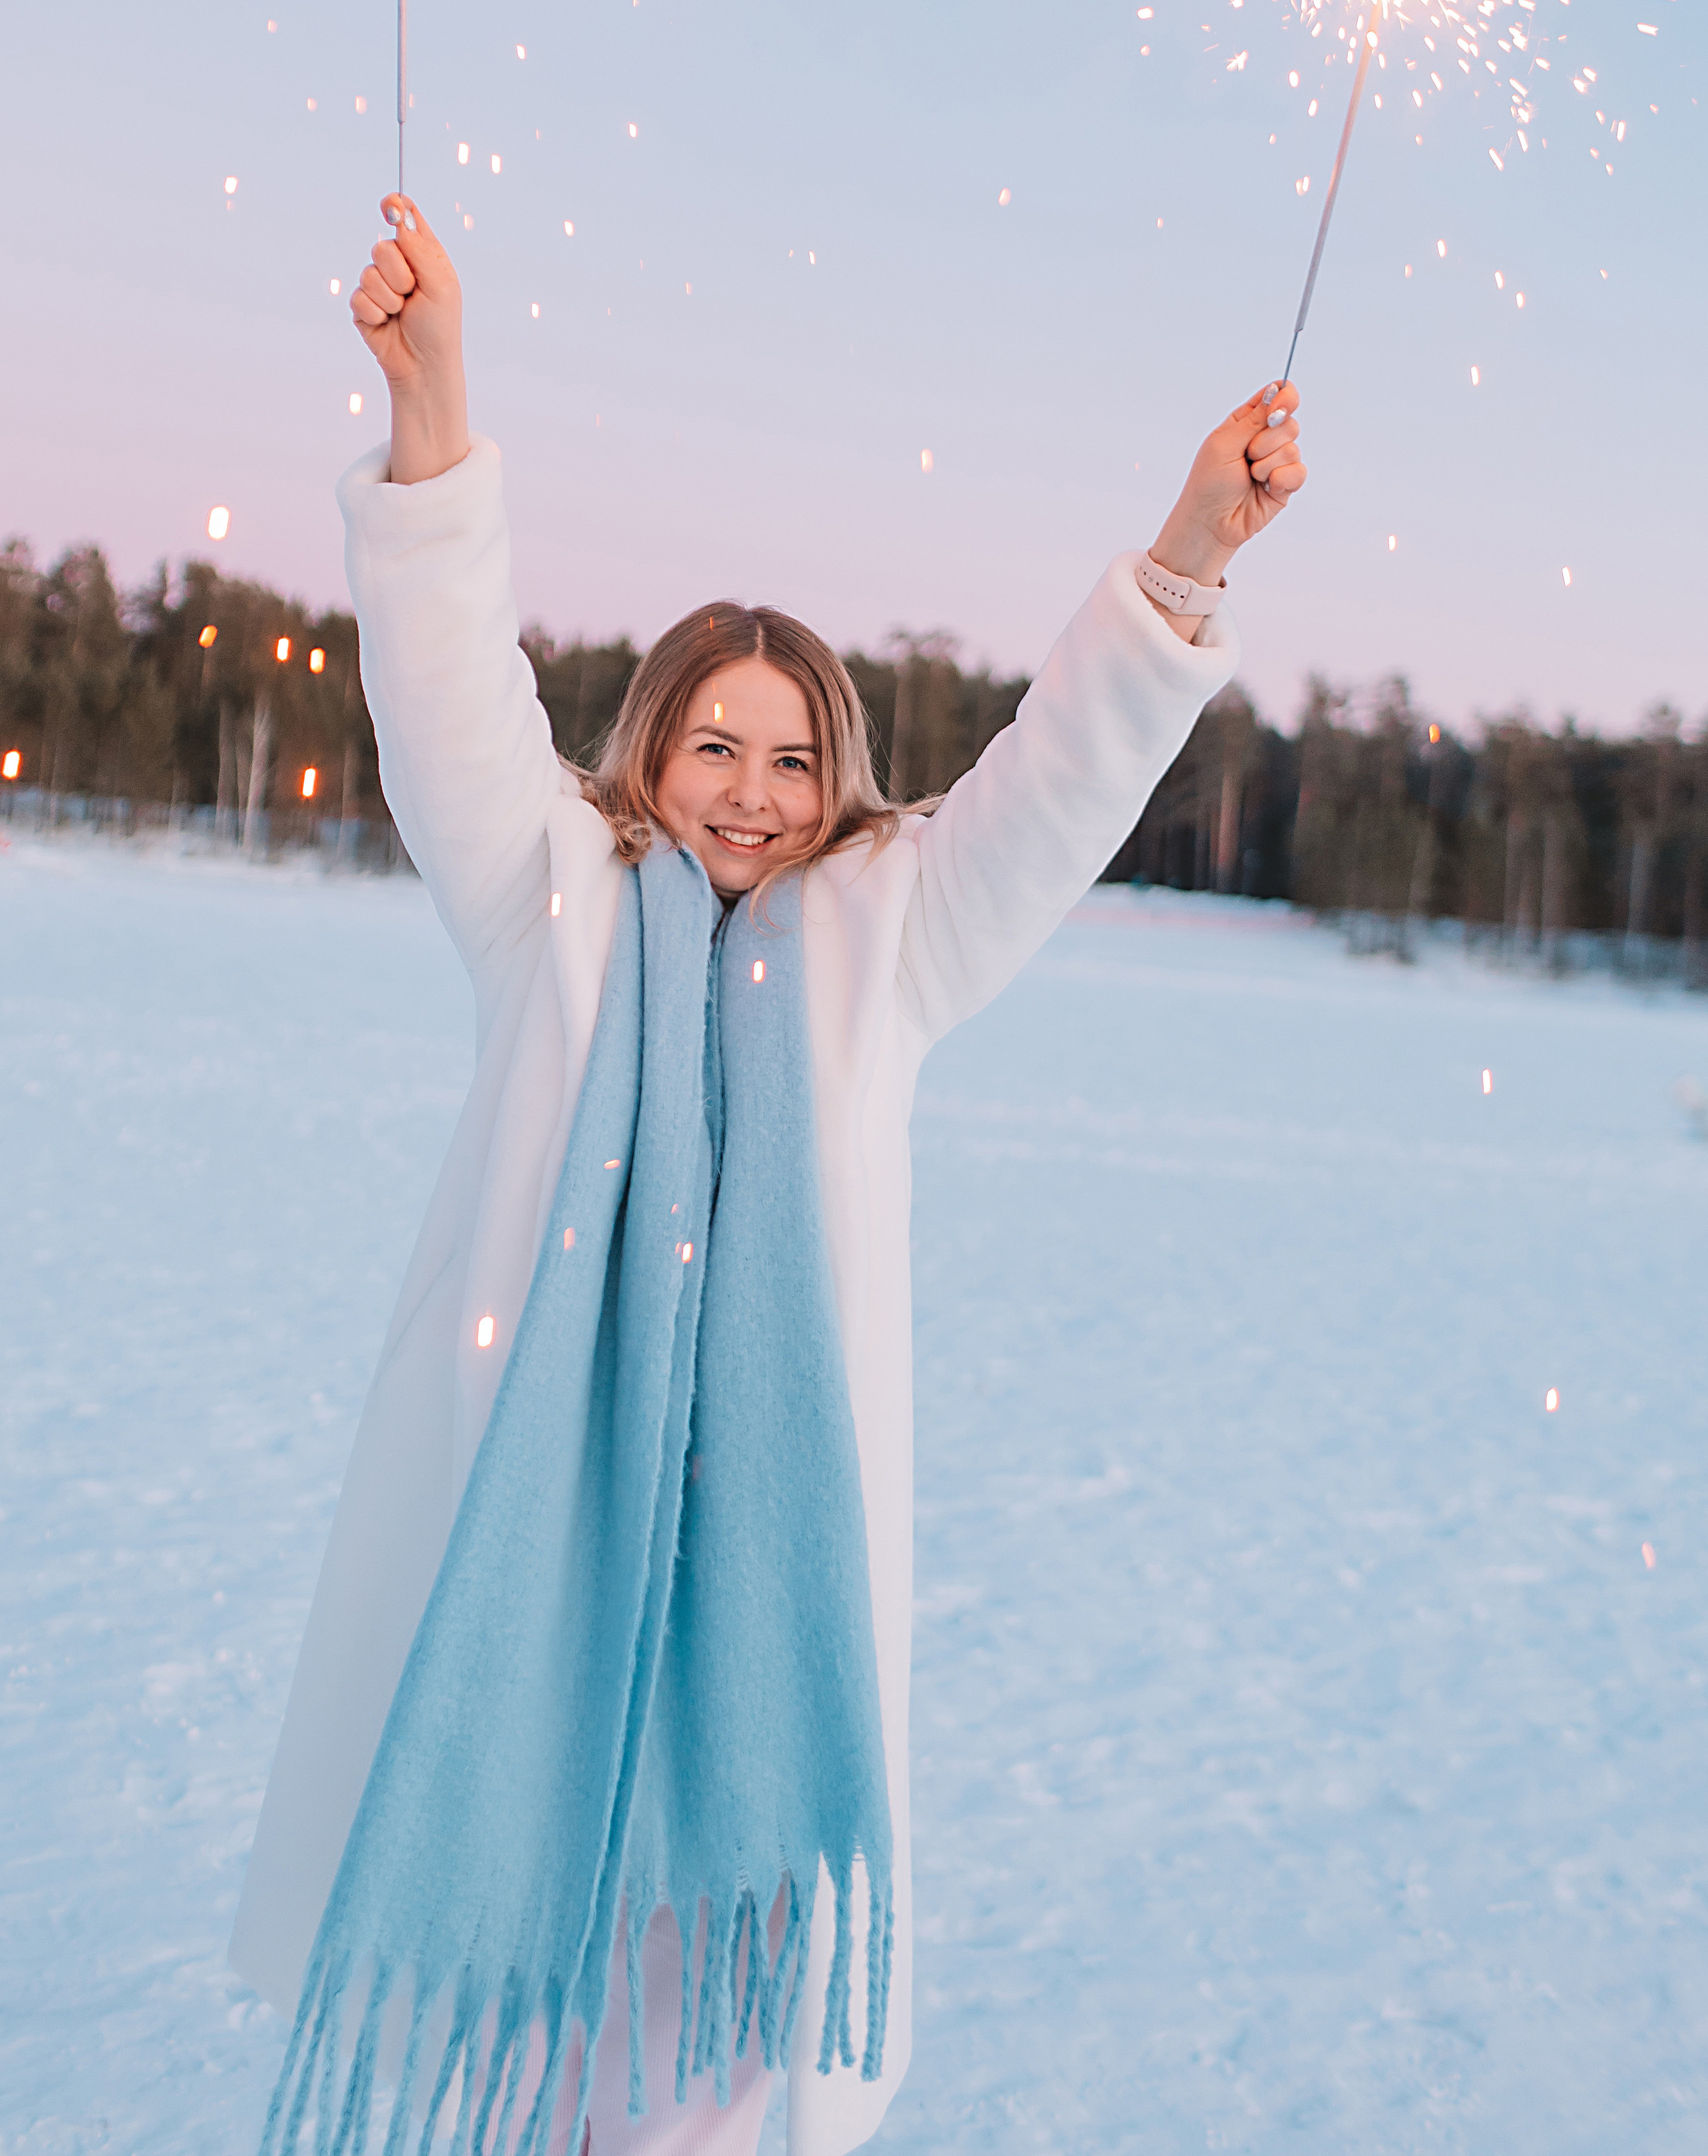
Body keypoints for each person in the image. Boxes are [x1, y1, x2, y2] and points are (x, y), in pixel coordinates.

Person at [231, 196, 1307, 2156]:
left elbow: (1054, 786)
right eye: (715, 747)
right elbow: (449, 698)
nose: (750, 792)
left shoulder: (893, 941)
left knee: (708, 2049)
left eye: (795, 760)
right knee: (520, 2032)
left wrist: (1189, 554)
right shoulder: (549, 901)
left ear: (841, 782)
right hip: (538, 1577)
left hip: (757, 1611)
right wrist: (433, 410)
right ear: (648, 752)